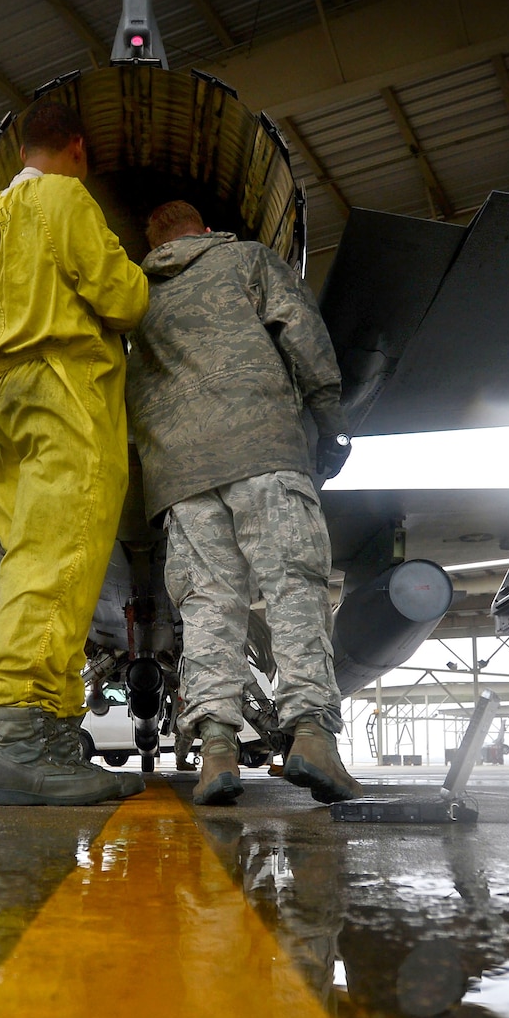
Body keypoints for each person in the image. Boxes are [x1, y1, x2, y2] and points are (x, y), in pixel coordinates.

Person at [126, 200, 362, 807]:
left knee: (208, 608)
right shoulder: (247, 260)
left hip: (179, 473)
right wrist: (331, 422)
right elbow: (303, 335)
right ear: (204, 229)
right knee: (293, 587)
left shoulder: (132, 297)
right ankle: (310, 736)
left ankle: (215, 755)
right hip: (263, 448)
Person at [0, 101, 151, 806]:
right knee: (61, 563)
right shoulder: (65, 197)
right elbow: (122, 296)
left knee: (25, 565)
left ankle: (28, 739)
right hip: (66, 391)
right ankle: (34, 747)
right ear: (76, 147)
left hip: (4, 398)